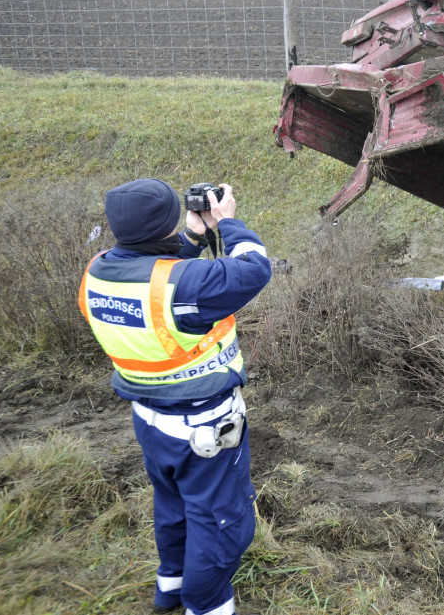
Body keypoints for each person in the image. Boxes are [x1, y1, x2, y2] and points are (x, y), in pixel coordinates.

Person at [78, 179, 271, 615]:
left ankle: (171, 588)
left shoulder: (98, 271)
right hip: (205, 430)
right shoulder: (186, 287)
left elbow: (157, 278)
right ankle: (205, 606)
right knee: (221, 520)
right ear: (164, 223)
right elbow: (255, 268)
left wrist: (191, 239)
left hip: (149, 421)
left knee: (174, 506)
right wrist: (229, 222)